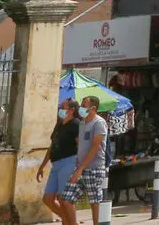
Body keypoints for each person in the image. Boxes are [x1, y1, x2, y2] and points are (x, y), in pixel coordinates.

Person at [60, 96, 108, 225]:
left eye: (84, 105)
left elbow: (95, 147)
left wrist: (80, 168)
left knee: (94, 201)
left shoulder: (99, 123)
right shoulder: (82, 123)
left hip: (94, 168)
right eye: (82, 104)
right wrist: (78, 164)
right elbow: (81, 145)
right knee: (66, 199)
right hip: (80, 167)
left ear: (93, 108)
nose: (81, 107)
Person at [38, 99, 80, 222]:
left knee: (64, 199)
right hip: (56, 164)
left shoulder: (76, 125)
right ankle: (69, 220)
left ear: (72, 110)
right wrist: (42, 166)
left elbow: (81, 145)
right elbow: (52, 146)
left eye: (63, 107)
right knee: (48, 199)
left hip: (69, 162)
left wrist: (79, 167)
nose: (60, 110)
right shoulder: (59, 125)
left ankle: (71, 222)